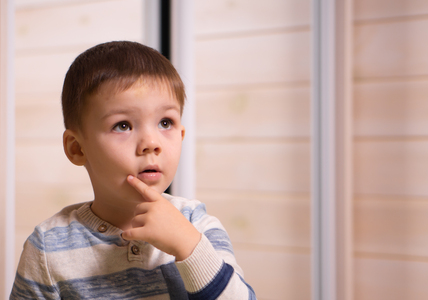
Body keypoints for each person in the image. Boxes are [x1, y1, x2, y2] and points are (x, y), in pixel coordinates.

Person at [10, 41, 256, 300]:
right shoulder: (47, 247)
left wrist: (188, 247)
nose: (152, 143)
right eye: (123, 125)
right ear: (77, 149)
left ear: (181, 136)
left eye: (165, 122)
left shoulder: (197, 226)